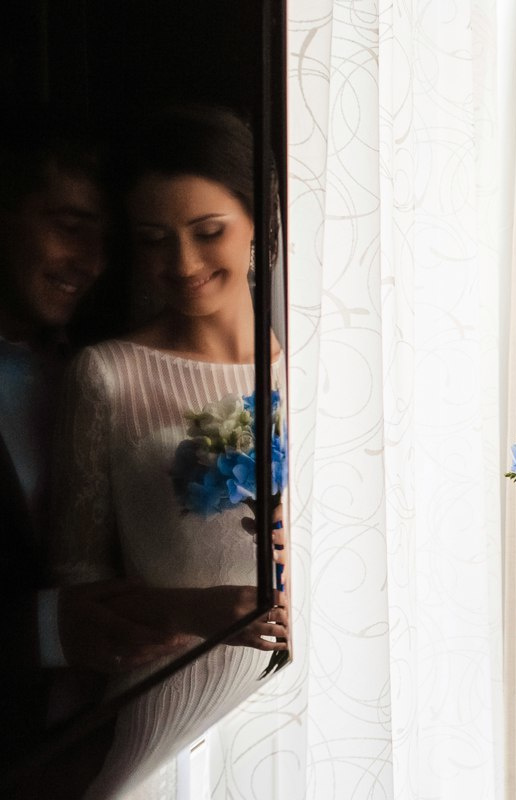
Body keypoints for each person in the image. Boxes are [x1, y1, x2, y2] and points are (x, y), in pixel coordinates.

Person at [48, 104, 288, 798]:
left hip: (303, 707)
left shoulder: (318, 364)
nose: (180, 264)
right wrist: (191, 614)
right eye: (153, 240)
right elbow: (78, 596)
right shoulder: (106, 375)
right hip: (161, 709)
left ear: (256, 223)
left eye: (207, 232)